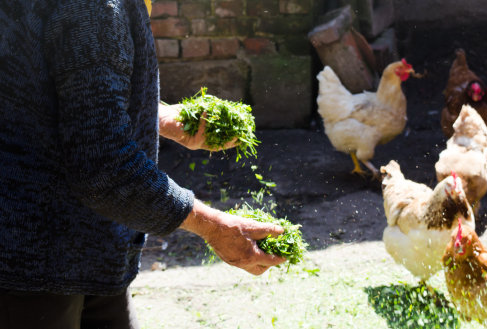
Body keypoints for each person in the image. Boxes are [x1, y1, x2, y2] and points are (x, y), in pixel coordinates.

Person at [0, 1, 285, 328]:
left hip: (90, 252)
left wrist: (155, 117)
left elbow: (46, 87)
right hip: (34, 262)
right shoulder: (96, 8)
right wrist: (213, 226)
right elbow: (104, 169)